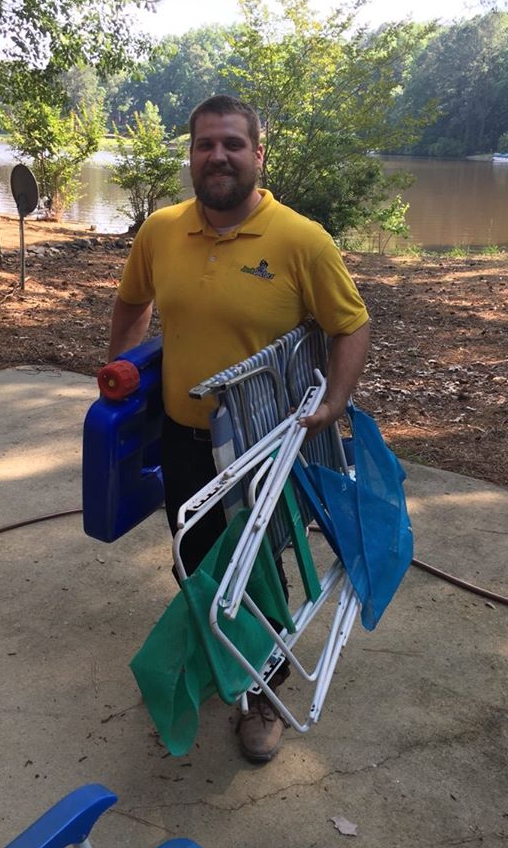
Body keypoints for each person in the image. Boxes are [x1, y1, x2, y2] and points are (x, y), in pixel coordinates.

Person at [108, 94, 370, 763]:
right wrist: (120, 374)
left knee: (256, 571)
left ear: (257, 154)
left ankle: (265, 691)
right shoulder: (160, 231)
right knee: (196, 559)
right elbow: (132, 303)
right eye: (204, 145)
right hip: (183, 438)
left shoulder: (301, 240)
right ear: (191, 156)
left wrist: (335, 404)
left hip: (262, 448)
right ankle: (217, 654)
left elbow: (351, 326)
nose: (216, 156)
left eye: (231, 143)